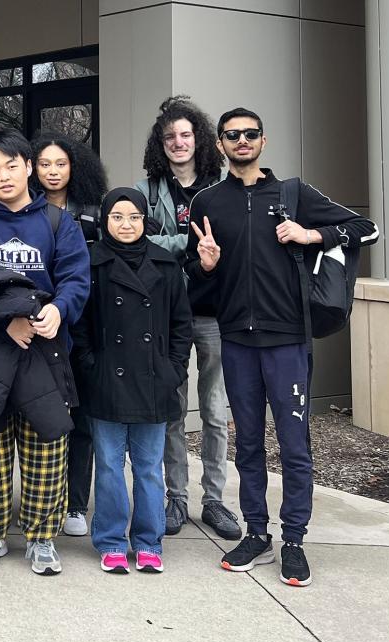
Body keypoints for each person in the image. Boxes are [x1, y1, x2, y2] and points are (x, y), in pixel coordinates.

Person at [187, 107, 379, 587]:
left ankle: (294, 540)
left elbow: (366, 228)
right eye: (233, 135)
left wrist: (311, 233)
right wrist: (206, 266)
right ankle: (257, 533)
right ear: (220, 144)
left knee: (294, 446)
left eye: (250, 134)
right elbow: (197, 285)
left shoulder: (293, 194)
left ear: (263, 141)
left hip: (288, 340)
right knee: (248, 444)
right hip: (236, 340)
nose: (242, 141)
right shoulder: (209, 202)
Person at [0, 129, 90, 575]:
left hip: (45, 351)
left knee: (46, 447)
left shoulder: (55, 221)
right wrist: (6, 319)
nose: (2, 175)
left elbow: (74, 277)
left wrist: (58, 311)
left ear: (29, 167)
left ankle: (41, 536)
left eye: (11, 166)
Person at [134, 95, 241, 541]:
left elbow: (234, 242)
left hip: (216, 313)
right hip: (168, 314)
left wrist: (178, 243)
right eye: (169, 137)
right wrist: (193, 245)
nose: (178, 142)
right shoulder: (146, 191)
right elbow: (143, 243)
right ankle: (176, 498)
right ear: (160, 144)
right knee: (172, 411)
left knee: (215, 412)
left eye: (185, 134)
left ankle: (214, 500)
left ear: (199, 139)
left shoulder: (223, 186)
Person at [71, 187, 192, 574]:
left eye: (135, 217)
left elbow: (181, 326)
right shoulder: (91, 265)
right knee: (107, 465)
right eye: (118, 217)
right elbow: (80, 327)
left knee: (148, 466)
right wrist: (92, 366)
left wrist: (173, 369)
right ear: (105, 220)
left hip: (154, 381)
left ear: (145, 221)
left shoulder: (167, 265)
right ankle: (110, 540)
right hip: (107, 380)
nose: (126, 225)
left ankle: (148, 541)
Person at [29, 131, 108, 537]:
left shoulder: (94, 212)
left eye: (60, 164)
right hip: (39, 325)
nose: (53, 171)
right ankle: (42, 499)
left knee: (82, 418)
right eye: (45, 164)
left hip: (85, 324)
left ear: (74, 167)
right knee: (43, 413)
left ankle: (76, 503)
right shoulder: (24, 210)